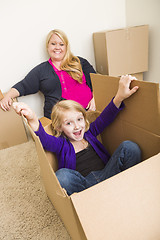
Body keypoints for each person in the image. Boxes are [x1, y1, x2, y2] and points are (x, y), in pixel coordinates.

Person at [13, 75, 141, 196]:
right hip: (85, 187)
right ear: (59, 128)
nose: (77, 126)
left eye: (79, 119)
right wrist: (33, 119)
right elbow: (45, 140)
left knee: (129, 147)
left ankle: (127, 185)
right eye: (69, 123)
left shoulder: (89, 133)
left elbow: (105, 117)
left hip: (108, 175)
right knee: (61, 176)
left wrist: (119, 96)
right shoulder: (61, 144)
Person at [0, 29, 96, 119]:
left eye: (61, 44)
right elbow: (23, 86)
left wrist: (96, 99)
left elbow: (98, 83)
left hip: (87, 113)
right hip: (59, 120)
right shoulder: (41, 70)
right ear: (48, 46)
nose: (57, 47)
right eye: (53, 44)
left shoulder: (80, 62)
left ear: (66, 46)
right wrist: (8, 96)